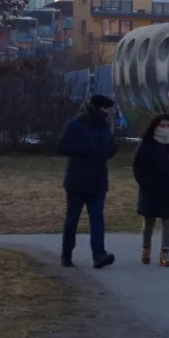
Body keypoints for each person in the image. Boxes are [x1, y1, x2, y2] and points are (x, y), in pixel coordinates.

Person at [57, 94, 119, 268]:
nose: (107, 112)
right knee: (72, 219)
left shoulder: (105, 127)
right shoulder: (76, 125)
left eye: (108, 109)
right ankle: (66, 254)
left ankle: (99, 255)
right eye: (104, 108)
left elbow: (109, 147)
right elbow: (61, 146)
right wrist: (85, 149)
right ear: (94, 108)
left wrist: (111, 150)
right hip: (77, 180)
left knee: (97, 218)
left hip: (98, 180)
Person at [133, 113, 169, 267]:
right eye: (162, 125)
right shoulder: (147, 143)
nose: (166, 128)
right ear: (155, 127)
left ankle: (165, 253)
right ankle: (146, 249)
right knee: (149, 222)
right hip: (150, 189)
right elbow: (138, 167)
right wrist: (146, 184)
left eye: (168, 126)